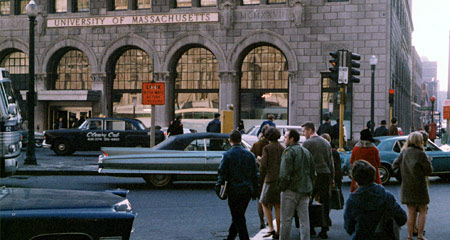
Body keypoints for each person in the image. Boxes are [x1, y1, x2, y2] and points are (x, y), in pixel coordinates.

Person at [344, 160, 407, 240]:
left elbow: (348, 227)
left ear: (355, 179)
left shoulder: (353, 200)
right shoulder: (387, 196)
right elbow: (402, 218)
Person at [216, 130, 259, 240]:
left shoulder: (227, 155)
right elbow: (255, 173)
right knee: (239, 215)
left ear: (230, 140)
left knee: (237, 216)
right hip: (247, 189)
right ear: (240, 140)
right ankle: (231, 237)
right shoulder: (250, 155)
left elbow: (222, 173)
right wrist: (255, 189)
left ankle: (243, 238)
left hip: (233, 189)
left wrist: (218, 187)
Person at [392, 132, 432, 240]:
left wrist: (403, 174)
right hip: (420, 186)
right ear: (420, 141)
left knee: (411, 212)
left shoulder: (404, 152)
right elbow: (429, 170)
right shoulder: (421, 153)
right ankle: (420, 235)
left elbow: (394, 165)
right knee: (423, 211)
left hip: (407, 185)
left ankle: (409, 236)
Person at [279, 129, 316, 240]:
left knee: (286, 219)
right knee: (304, 220)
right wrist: (310, 188)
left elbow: (284, 173)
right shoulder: (306, 152)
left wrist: (282, 187)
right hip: (305, 189)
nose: (284, 139)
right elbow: (313, 173)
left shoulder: (288, 152)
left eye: (285, 137)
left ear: (292, 139)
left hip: (290, 189)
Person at [301, 121, 334, 239]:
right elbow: (331, 162)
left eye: (304, 131)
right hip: (325, 174)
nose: (303, 133)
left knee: (307, 201)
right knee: (325, 202)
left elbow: (303, 162)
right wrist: (332, 178)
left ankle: (311, 228)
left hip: (312, 176)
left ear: (310, 130)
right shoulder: (326, 142)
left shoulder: (307, 143)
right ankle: (324, 228)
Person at [259, 127, 285, 239]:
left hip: (269, 179)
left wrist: (259, 161)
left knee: (264, 202)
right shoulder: (282, 148)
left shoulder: (267, 148)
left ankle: (271, 228)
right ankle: (279, 231)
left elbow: (264, 166)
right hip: (280, 179)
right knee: (278, 205)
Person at [250, 125, 270, 229]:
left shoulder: (256, 145)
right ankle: (268, 220)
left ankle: (261, 221)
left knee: (260, 199)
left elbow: (251, 158)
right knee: (269, 200)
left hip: (259, 174)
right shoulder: (270, 145)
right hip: (269, 174)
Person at [350, 128, 382, 192]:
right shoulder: (374, 149)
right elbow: (378, 163)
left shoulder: (356, 148)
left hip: (358, 178)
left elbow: (352, 162)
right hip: (373, 178)